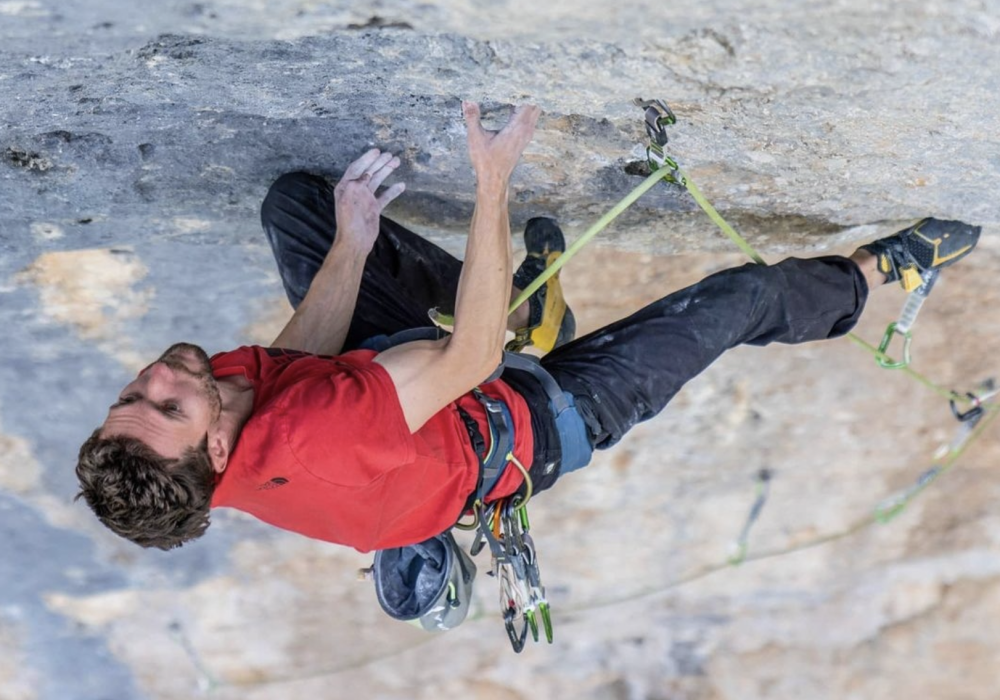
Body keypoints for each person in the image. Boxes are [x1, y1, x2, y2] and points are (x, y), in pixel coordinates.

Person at [75, 101, 981, 554]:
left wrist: (350, 247)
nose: (160, 374)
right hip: (531, 420)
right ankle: (878, 275)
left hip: (398, 393)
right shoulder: (319, 434)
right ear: (219, 448)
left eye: (134, 392)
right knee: (738, 300)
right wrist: (494, 180)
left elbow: (294, 362)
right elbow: (466, 360)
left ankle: (521, 304)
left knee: (304, 209)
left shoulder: (224, 415)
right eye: (169, 403)